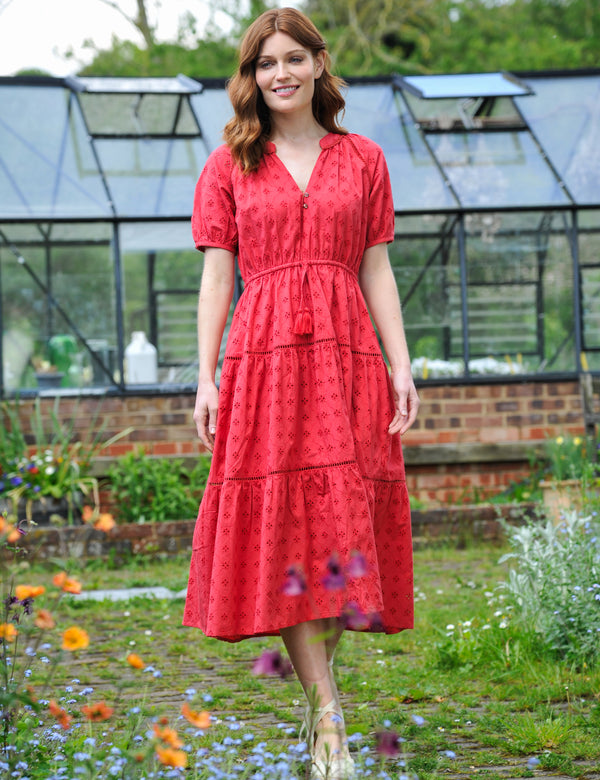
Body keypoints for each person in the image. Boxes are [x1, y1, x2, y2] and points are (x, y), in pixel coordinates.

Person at [183, 7, 419, 778]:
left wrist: (402, 364)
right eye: (263, 63)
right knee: (290, 528)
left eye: (292, 57)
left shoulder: (366, 159)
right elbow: (218, 274)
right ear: (250, 78)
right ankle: (326, 713)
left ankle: (319, 688)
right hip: (265, 359)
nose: (278, 73)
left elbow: (376, 267)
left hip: (349, 355)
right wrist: (205, 372)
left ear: (319, 64)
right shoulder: (230, 165)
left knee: (343, 529)